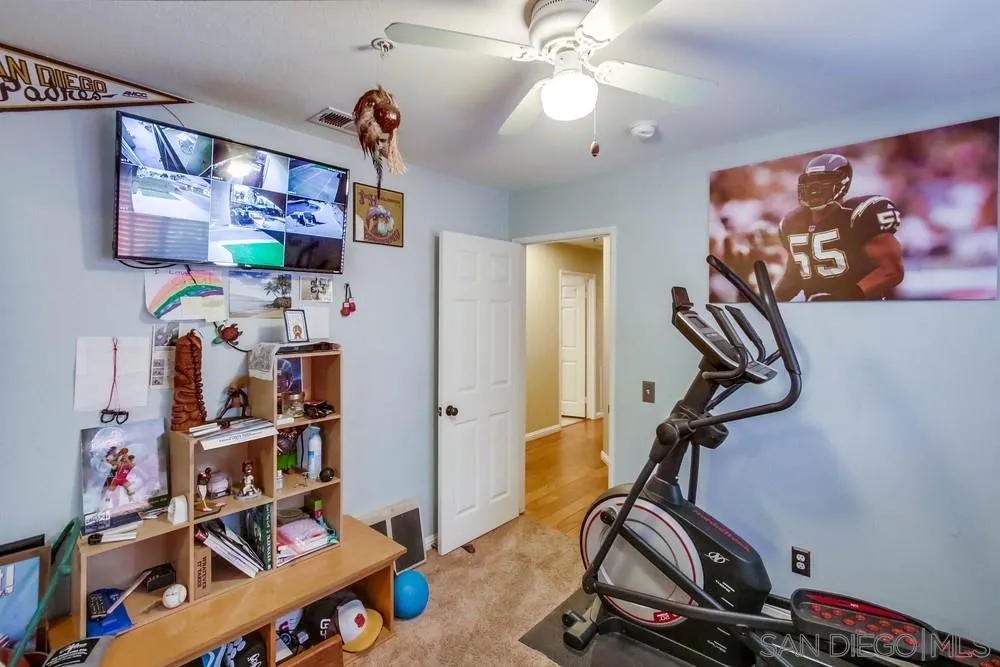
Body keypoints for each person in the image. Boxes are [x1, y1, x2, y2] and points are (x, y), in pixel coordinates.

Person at [774, 153, 905, 301]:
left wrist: (847, 296)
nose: (814, 188)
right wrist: (767, 303)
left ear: (843, 183)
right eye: (809, 181)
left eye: (823, 180)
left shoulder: (859, 215)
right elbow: (794, 276)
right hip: (816, 314)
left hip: (863, 312)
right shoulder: (792, 223)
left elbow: (892, 271)